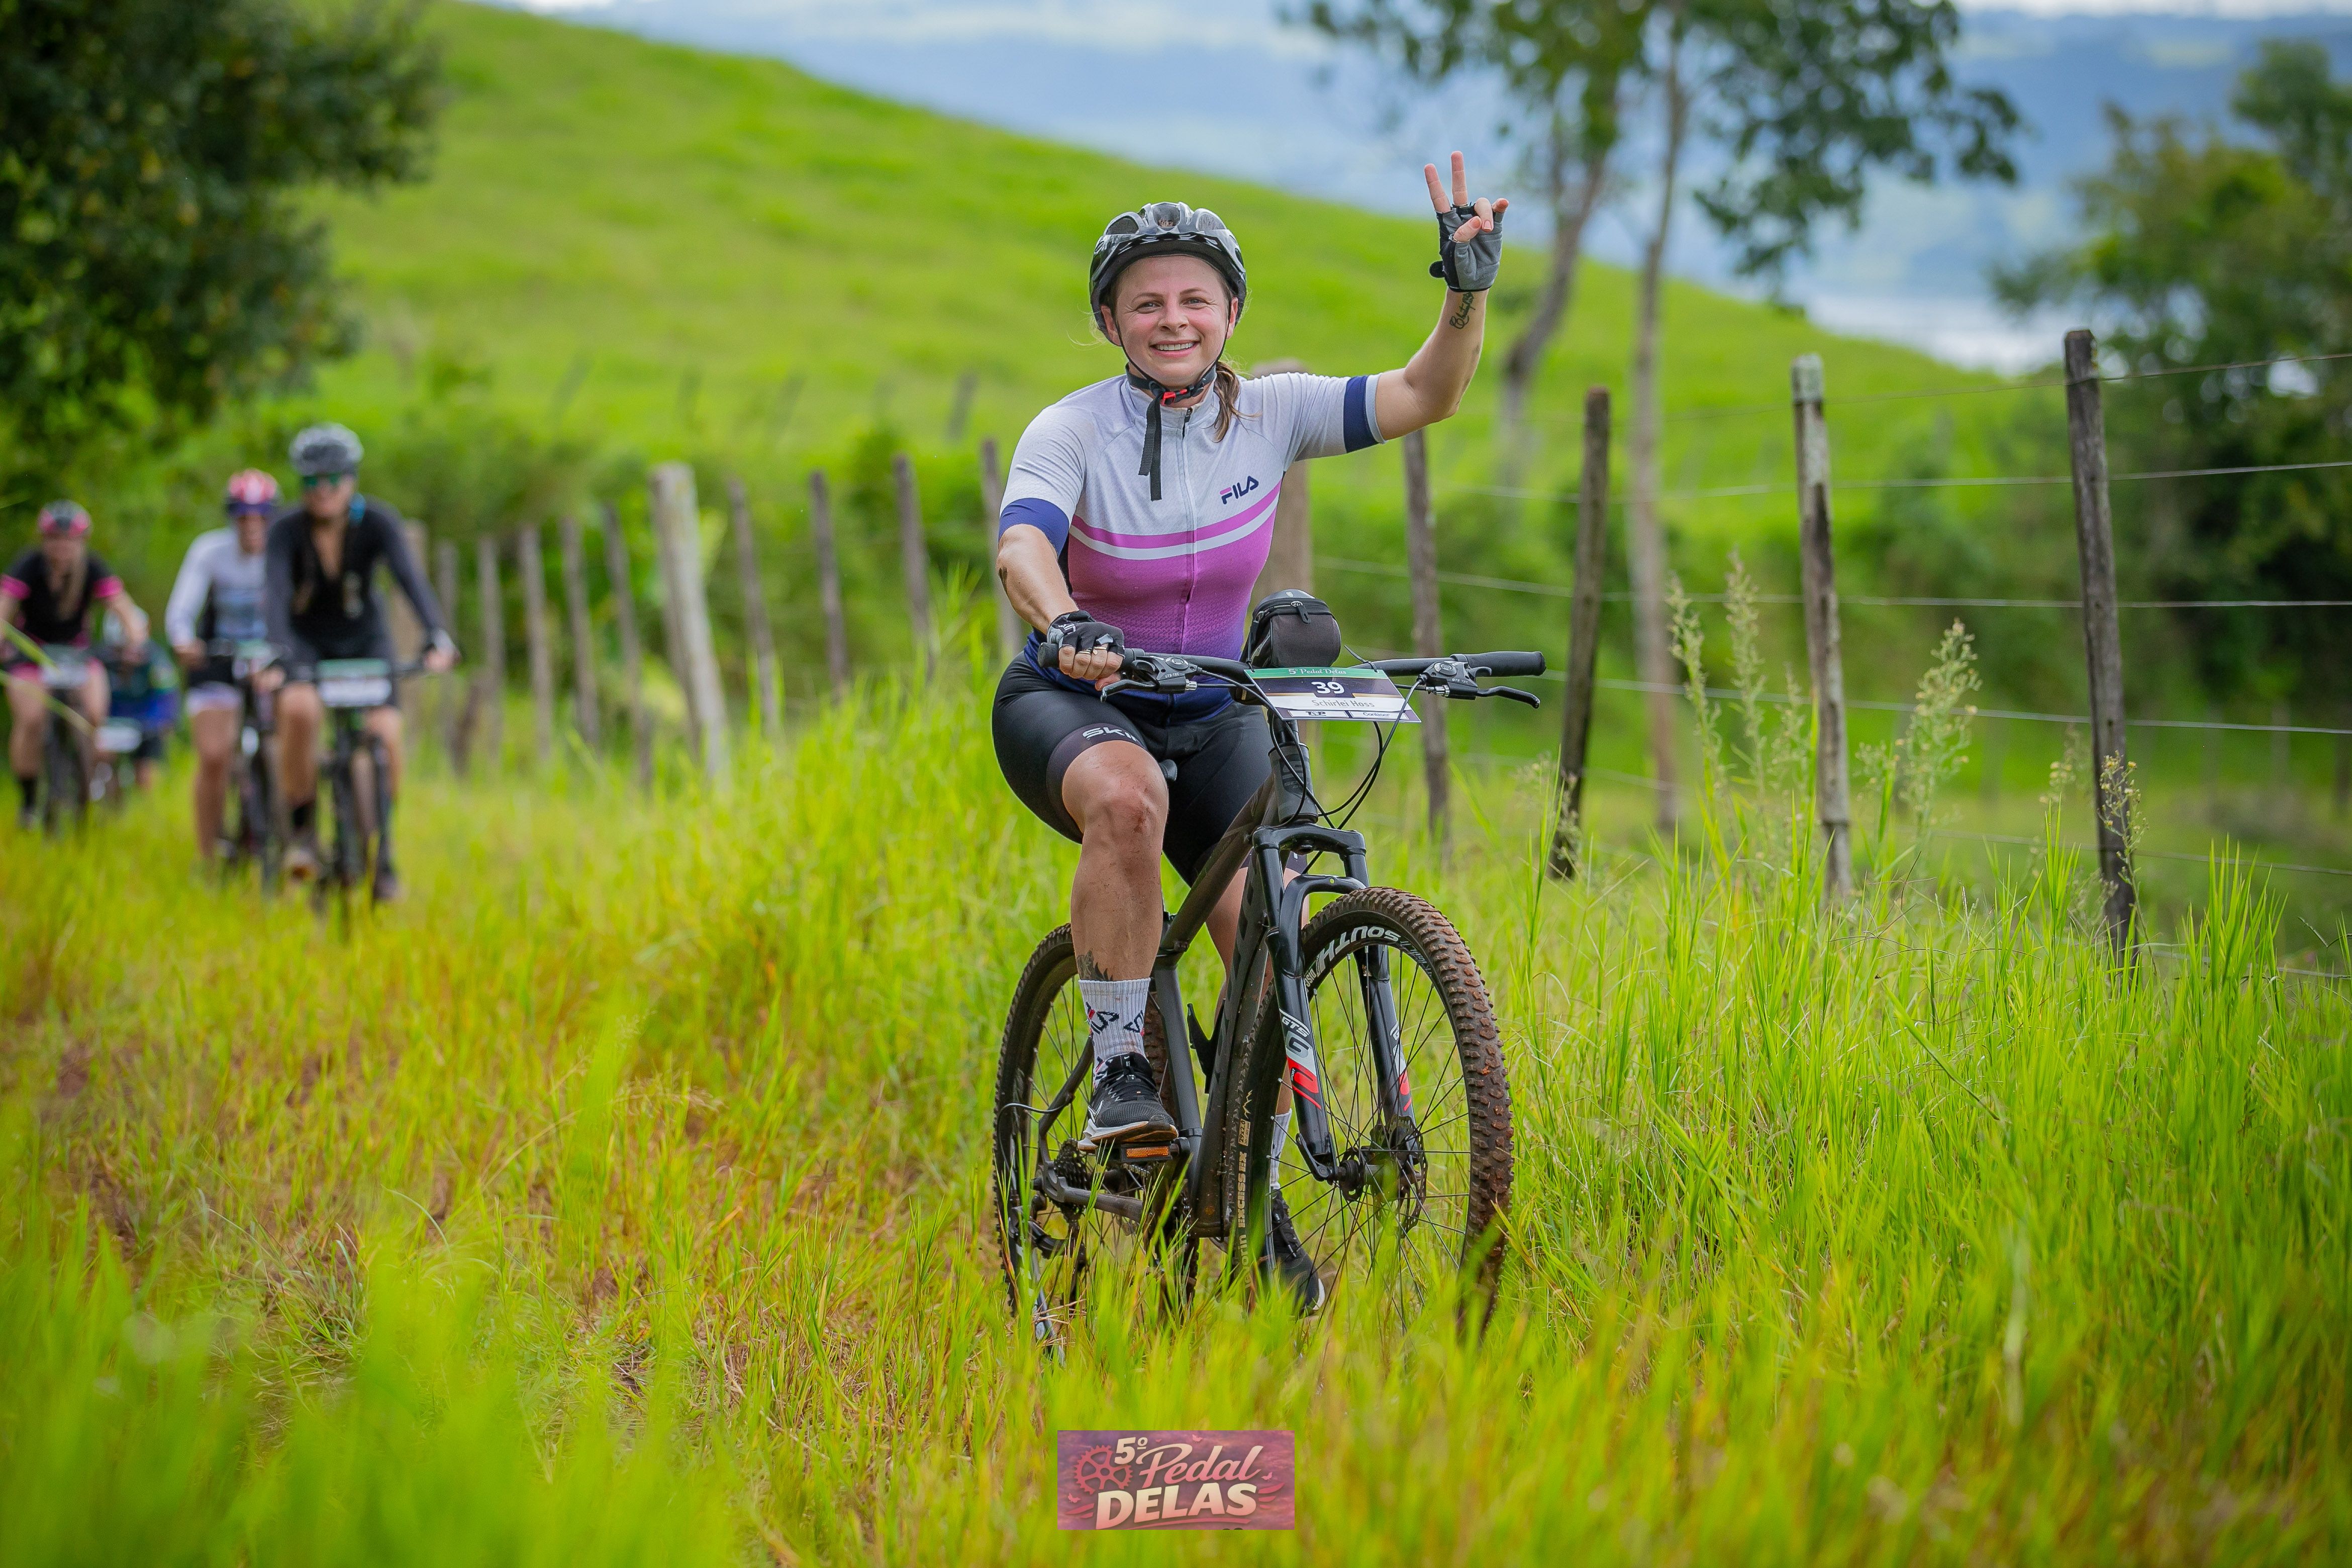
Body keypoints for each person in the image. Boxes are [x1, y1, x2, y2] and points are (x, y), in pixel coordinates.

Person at [991, 156, 1506, 1308]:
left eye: (1195, 298)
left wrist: (1465, 296)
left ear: (1230, 312)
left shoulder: (1270, 412)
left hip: (1212, 702)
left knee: (1273, 945)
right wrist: (1063, 619)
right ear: (1111, 323)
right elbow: (1021, 542)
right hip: (1077, 700)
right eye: (1146, 302)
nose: (1172, 319)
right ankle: (1121, 1078)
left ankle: (1248, 1185)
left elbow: (1424, 394)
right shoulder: (1069, 429)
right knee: (1129, 803)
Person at [263, 423, 457, 900]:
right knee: (299, 710)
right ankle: (303, 831)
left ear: (351, 480)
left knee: (387, 733)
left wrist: (436, 634)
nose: (323, 490)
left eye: (333, 479)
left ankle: (384, 853)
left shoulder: (379, 522)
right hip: (307, 641)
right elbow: (275, 597)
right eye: (311, 480)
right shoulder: (284, 531)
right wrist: (279, 654)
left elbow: (410, 580)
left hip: (366, 640)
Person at [4, 500, 151, 827]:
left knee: (95, 715)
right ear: (44, 540)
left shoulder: (93, 568)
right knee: (31, 719)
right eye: (54, 539)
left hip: (78, 655)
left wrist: (136, 641)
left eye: (69, 540)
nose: (62, 547)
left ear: (82, 542)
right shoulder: (29, 566)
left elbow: (123, 609)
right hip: (32, 656)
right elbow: (5, 606)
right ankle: (29, 800)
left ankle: (89, 777)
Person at [168, 469, 280, 857]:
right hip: (216, 660)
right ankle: (208, 854)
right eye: (243, 516)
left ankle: (293, 839)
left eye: (261, 516)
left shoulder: (284, 551)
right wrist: (184, 641)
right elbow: (182, 610)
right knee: (215, 755)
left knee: (290, 744)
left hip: (271, 662)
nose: (252, 526)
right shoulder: (210, 551)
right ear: (232, 518)